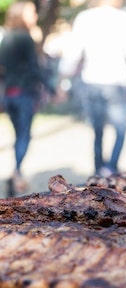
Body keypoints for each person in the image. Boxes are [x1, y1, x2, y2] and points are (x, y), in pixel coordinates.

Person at [58, 0, 126, 177]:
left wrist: (62, 81)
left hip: (92, 82)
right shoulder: (123, 18)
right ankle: (110, 166)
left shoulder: (84, 18)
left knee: (98, 129)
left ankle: (99, 168)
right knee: (120, 128)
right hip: (116, 83)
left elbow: (72, 54)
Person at [0, 1, 54, 195]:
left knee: (18, 135)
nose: (35, 16)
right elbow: (34, 68)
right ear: (21, 14)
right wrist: (51, 88)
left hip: (9, 94)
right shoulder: (25, 38)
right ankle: (17, 173)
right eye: (32, 13)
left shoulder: (6, 38)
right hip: (24, 94)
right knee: (24, 135)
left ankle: (16, 173)